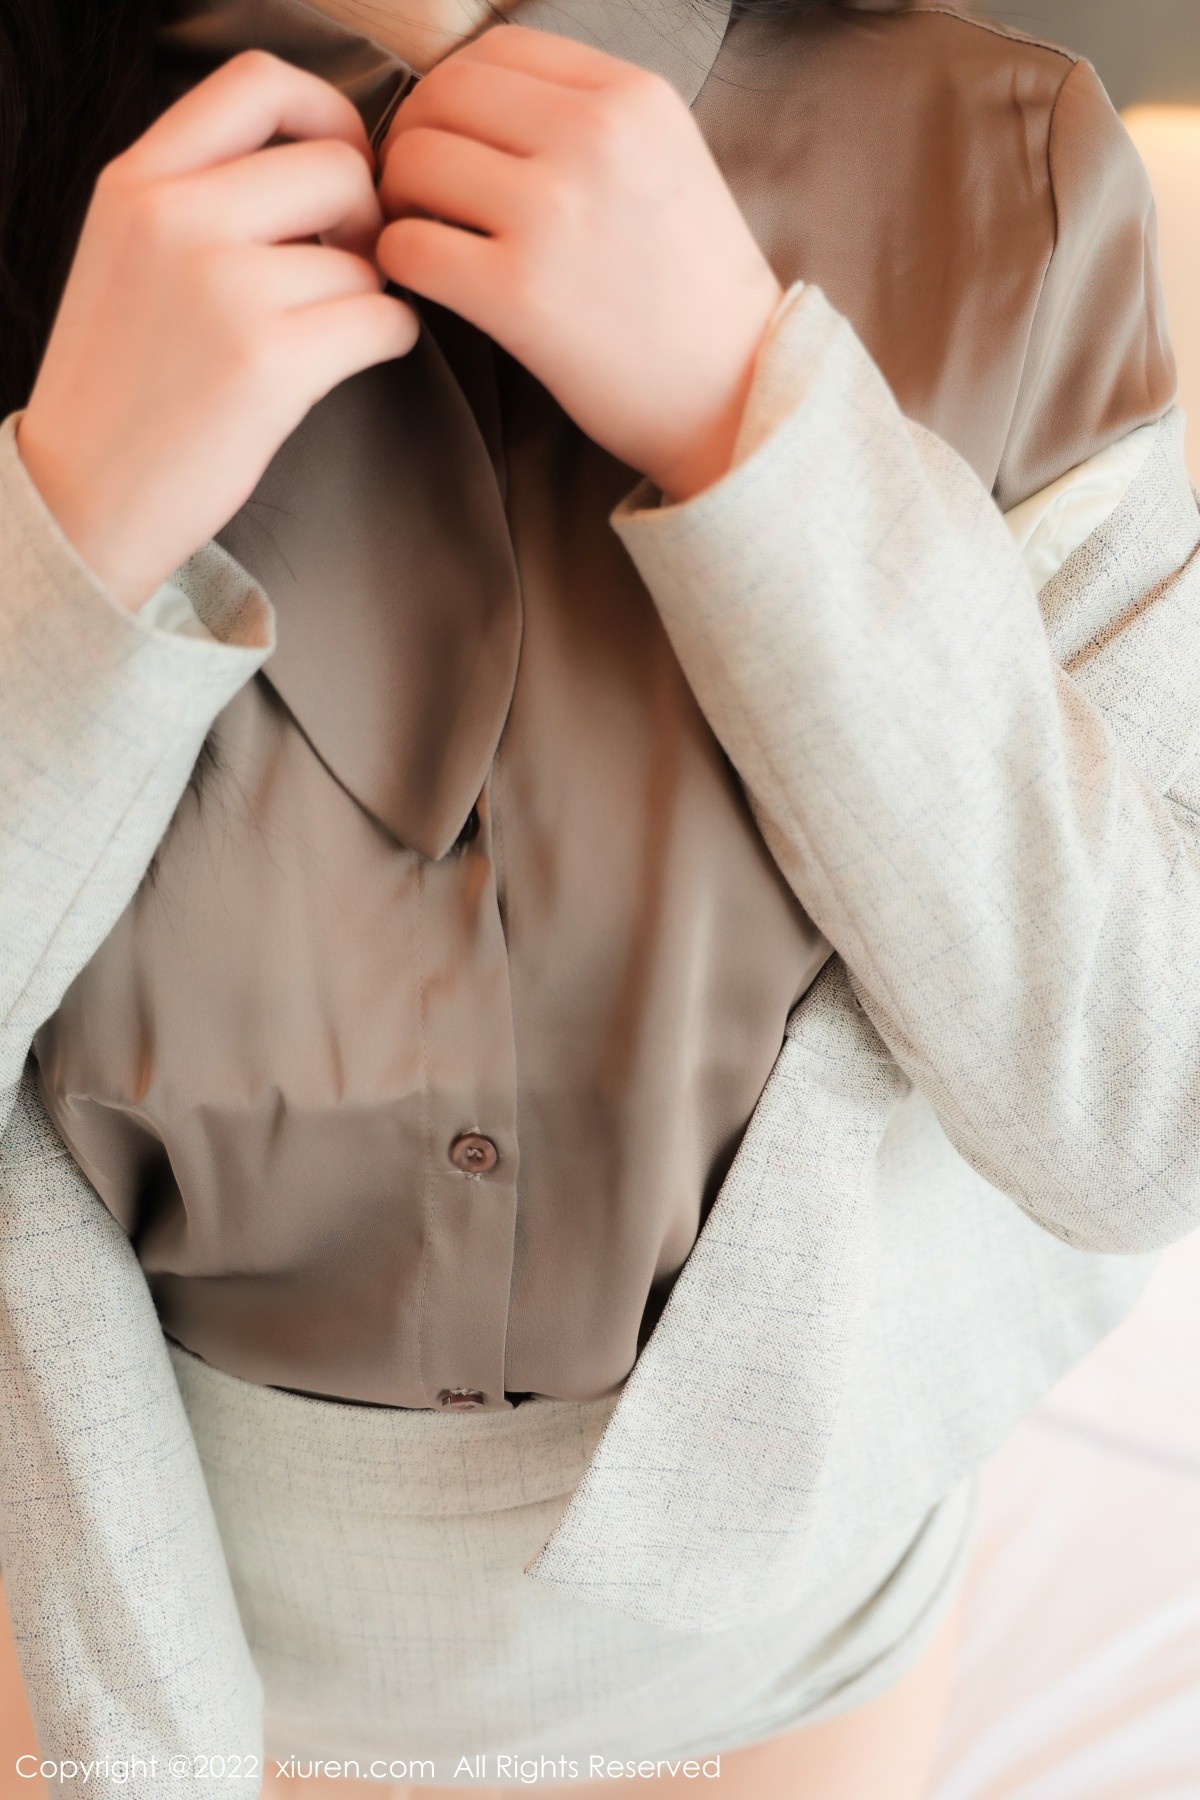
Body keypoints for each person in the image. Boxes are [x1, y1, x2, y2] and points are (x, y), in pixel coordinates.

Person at [1, 0, 1198, 1797]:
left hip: (808, 1651)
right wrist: (61, 555)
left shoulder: (995, 158)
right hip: (119, 1654)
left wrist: (760, 432)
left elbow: (1147, 1098)